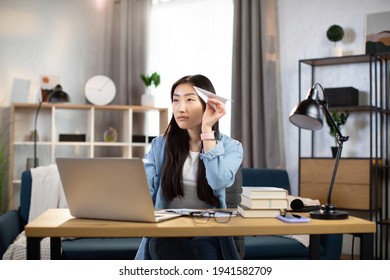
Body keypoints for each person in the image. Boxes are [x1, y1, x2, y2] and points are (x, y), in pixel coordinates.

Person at [135, 74, 243, 260]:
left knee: (200, 251)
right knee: (161, 244)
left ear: (208, 105)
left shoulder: (232, 147)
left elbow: (218, 181)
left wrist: (207, 130)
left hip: (209, 234)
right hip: (168, 231)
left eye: (190, 100)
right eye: (175, 100)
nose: (180, 108)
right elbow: (143, 192)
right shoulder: (160, 145)